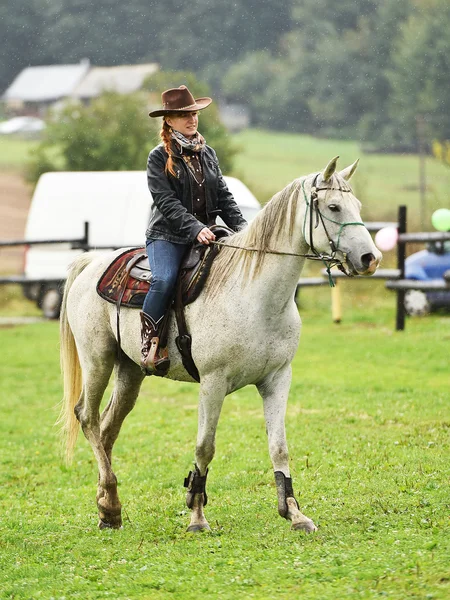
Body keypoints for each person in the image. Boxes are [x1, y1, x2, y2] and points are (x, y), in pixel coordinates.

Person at [141, 85, 247, 375]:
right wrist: (195, 228)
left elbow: (224, 197)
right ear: (169, 120)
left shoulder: (207, 153)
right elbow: (165, 201)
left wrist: (246, 232)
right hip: (167, 235)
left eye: (194, 114)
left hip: (208, 232)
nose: (192, 119)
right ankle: (150, 342)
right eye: (183, 115)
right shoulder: (158, 157)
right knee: (163, 280)